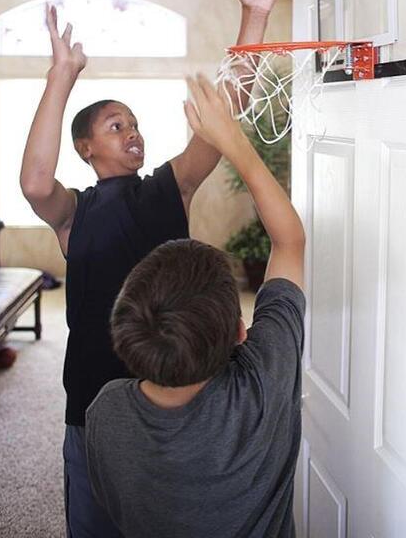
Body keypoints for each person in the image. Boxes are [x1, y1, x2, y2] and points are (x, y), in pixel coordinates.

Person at [19, 0, 289, 538]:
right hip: (92, 405)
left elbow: (224, 120)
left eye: (135, 123)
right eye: (116, 126)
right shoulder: (74, 212)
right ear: (86, 147)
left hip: (178, 396)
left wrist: (255, 11)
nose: (132, 132)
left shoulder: (167, 188)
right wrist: (62, 76)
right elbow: (36, 184)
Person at [85, 73, 306, 538]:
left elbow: (289, 244)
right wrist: (237, 145)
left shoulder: (105, 412)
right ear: (240, 331)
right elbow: (290, 242)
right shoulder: (261, 386)